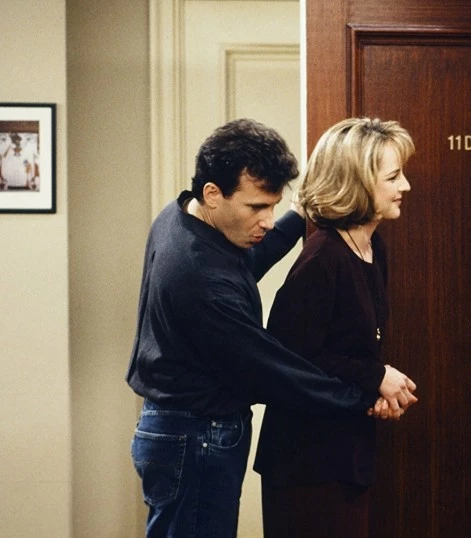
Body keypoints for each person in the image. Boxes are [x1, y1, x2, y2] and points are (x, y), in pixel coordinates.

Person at [125, 118, 417, 537]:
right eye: (257, 208)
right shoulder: (201, 281)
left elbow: (246, 263)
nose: (267, 220)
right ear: (213, 193)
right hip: (196, 434)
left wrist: (299, 216)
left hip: (178, 427)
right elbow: (274, 371)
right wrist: (367, 391)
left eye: (274, 205)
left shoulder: (183, 217)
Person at [254, 117, 418, 538]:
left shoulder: (372, 245)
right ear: (357, 184)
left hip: (346, 453)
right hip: (306, 463)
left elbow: (344, 351)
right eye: (393, 177)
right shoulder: (322, 259)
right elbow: (289, 362)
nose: (405, 186)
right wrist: (375, 377)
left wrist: (373, 388)